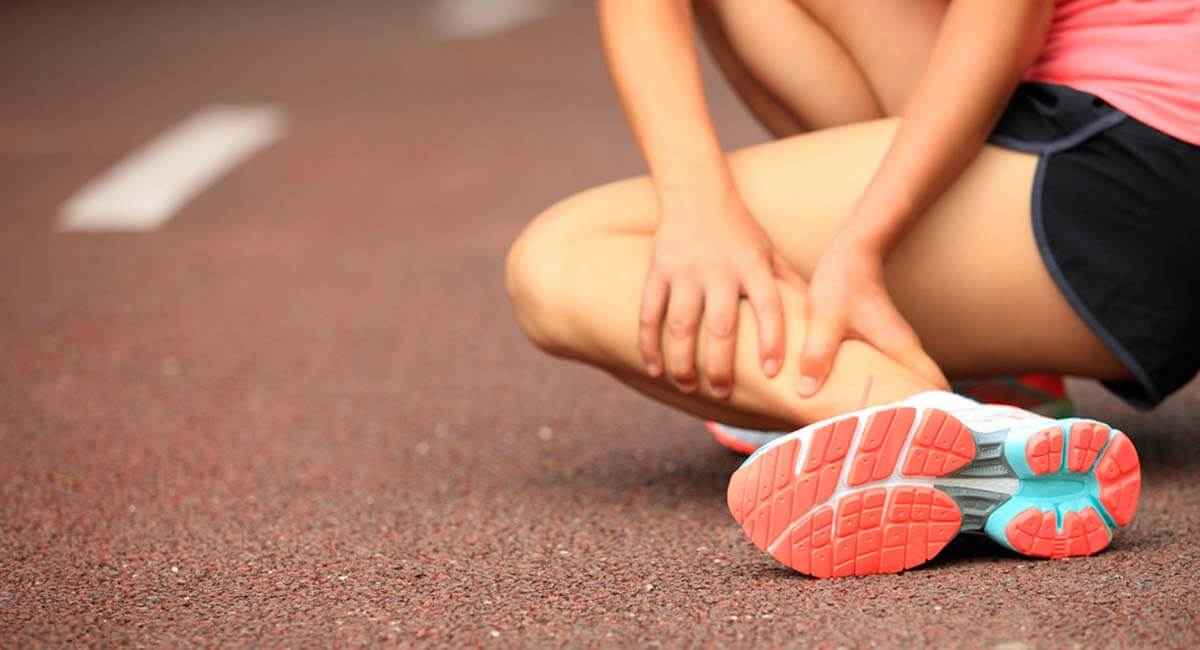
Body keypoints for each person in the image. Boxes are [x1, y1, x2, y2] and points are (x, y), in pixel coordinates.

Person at [505, 0, 1197, 577]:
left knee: (565, 257)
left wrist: (860, 245)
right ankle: (984, 383)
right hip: (1124, 158)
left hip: (1132, 158)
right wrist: (699, 208)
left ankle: (945, 425)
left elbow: (1005, 21)